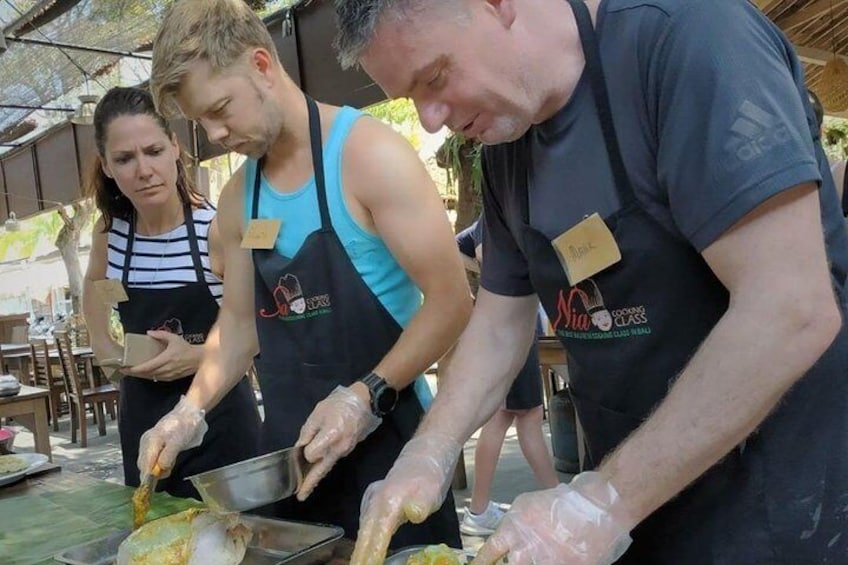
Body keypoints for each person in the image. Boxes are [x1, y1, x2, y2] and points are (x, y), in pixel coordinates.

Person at [333, 0, 848, 563]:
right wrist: (430, 449)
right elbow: (501, 326)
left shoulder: (692, 40)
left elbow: (790, 307)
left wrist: (605, 501)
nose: (430, 120)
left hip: (782, 506)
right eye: (411, 99)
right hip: (638, 513)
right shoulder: (507, 141)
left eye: (434, 77)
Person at [136, 0, 471, 549]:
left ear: (262, 66)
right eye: (200, 122)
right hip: (290, 473)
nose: (215, 133)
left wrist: (362, 397)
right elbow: (240, 324)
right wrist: (188, 409)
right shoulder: (238, 197)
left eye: (221, 108)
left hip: (391, 458)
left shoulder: (368, 155)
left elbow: (452, 302)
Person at [82, 86, 261, 498]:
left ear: (175, 148)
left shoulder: (214, 230)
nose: (143, 170)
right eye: (125, 159)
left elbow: (256, 333)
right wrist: (101, 342)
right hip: (143, 424)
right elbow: (95, 287)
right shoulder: (112, 235)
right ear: (107, 167)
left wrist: (198, 357)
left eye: (154, 150)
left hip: (219, 425)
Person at [454, 216, 559, 536]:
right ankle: (556, 499)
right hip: (511, 323)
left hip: (516, 322)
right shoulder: (499, 212)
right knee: (517, 415)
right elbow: (488, 257)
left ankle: (481, 508)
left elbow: (460, 248)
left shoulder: (497, 217)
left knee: (512, 416)